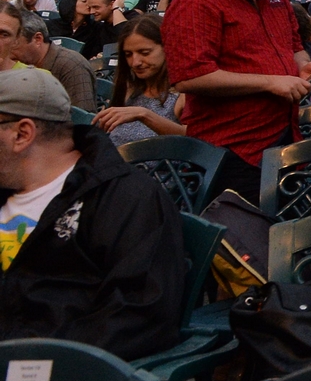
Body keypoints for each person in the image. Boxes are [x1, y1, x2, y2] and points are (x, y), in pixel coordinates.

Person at [0, 70, 184, 358]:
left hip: (55, 380)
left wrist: (32, 373)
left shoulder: (124, 197)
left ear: (22, 134)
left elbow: (139, 312)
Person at [163, 0, 311, 200]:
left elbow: (294, 46)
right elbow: (191, 77)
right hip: (230, 148)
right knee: (238, 238)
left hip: (281, 137)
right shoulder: (197, 0)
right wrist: (271, 82)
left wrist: (302, 66)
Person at [93, 16, 185, 146]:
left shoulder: (182, 94)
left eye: (145, 53)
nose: (135, 62)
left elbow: (196, 141)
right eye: (128, 54)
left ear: (167, 47)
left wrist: (145, 115)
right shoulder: (130, 88)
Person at [12, 11, 96, 111]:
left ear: (37, 39)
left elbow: (81, 118)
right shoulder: (17, 65)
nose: (6, 49)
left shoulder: (71, 65)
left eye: (14, 44)